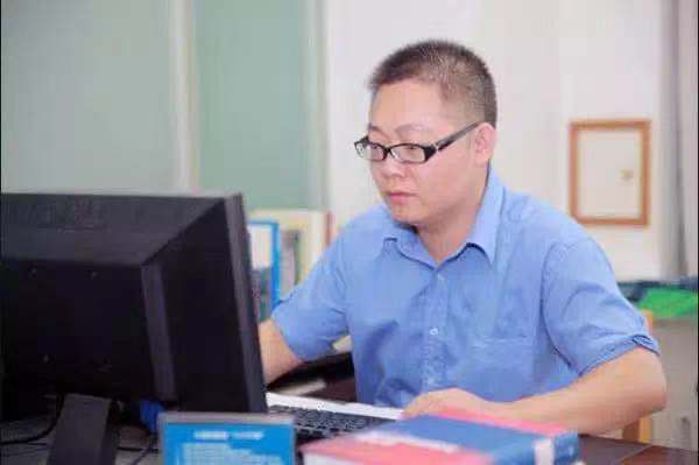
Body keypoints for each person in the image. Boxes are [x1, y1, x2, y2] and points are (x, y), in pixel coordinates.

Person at [259, 40, 666, 434]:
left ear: (480, 144)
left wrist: (496, 417)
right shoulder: (360, 244)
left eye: (412, 147)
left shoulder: (552, 248)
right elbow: (276, 343)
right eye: (378, 146)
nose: (389, 169)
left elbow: (641, 381)